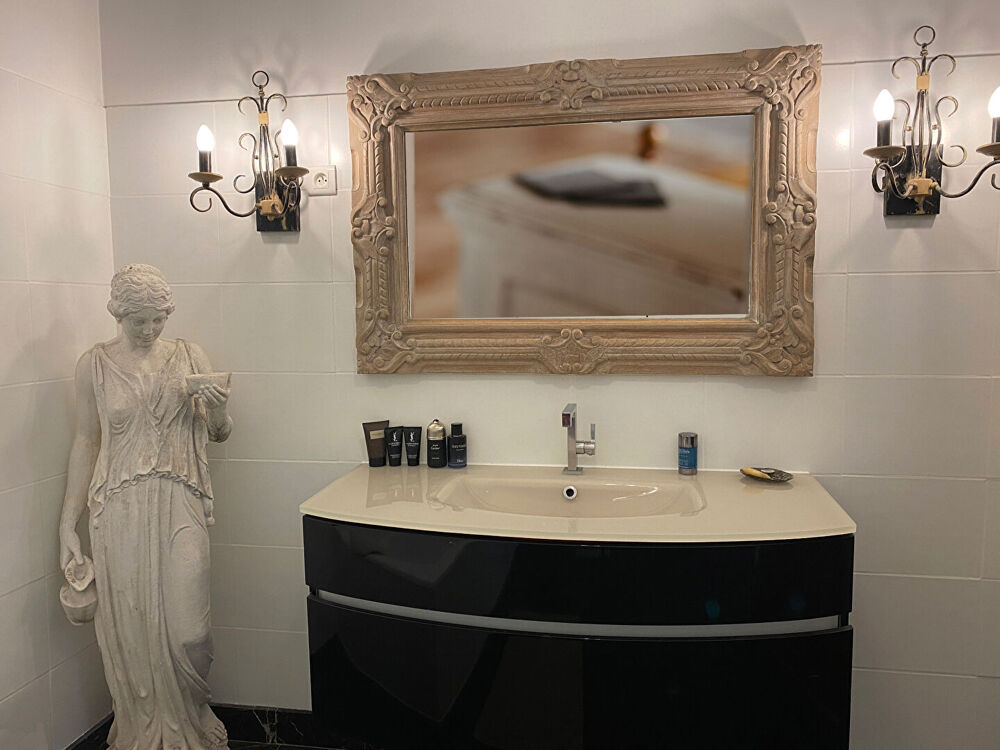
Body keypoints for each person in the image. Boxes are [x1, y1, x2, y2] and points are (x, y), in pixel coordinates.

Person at [58, 264, 231, 750]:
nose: (150, 329)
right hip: (119, 509)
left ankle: (193, 711)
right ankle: (141, 728)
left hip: (180, 499)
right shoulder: (93, 366)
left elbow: (219, 432)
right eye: (139, 321)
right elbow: (86, 441)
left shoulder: (189, 356)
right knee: (131, 630)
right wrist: (67, 523)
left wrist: (218, 408)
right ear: (117, 314)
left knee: (190, 632)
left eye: (158, 319)